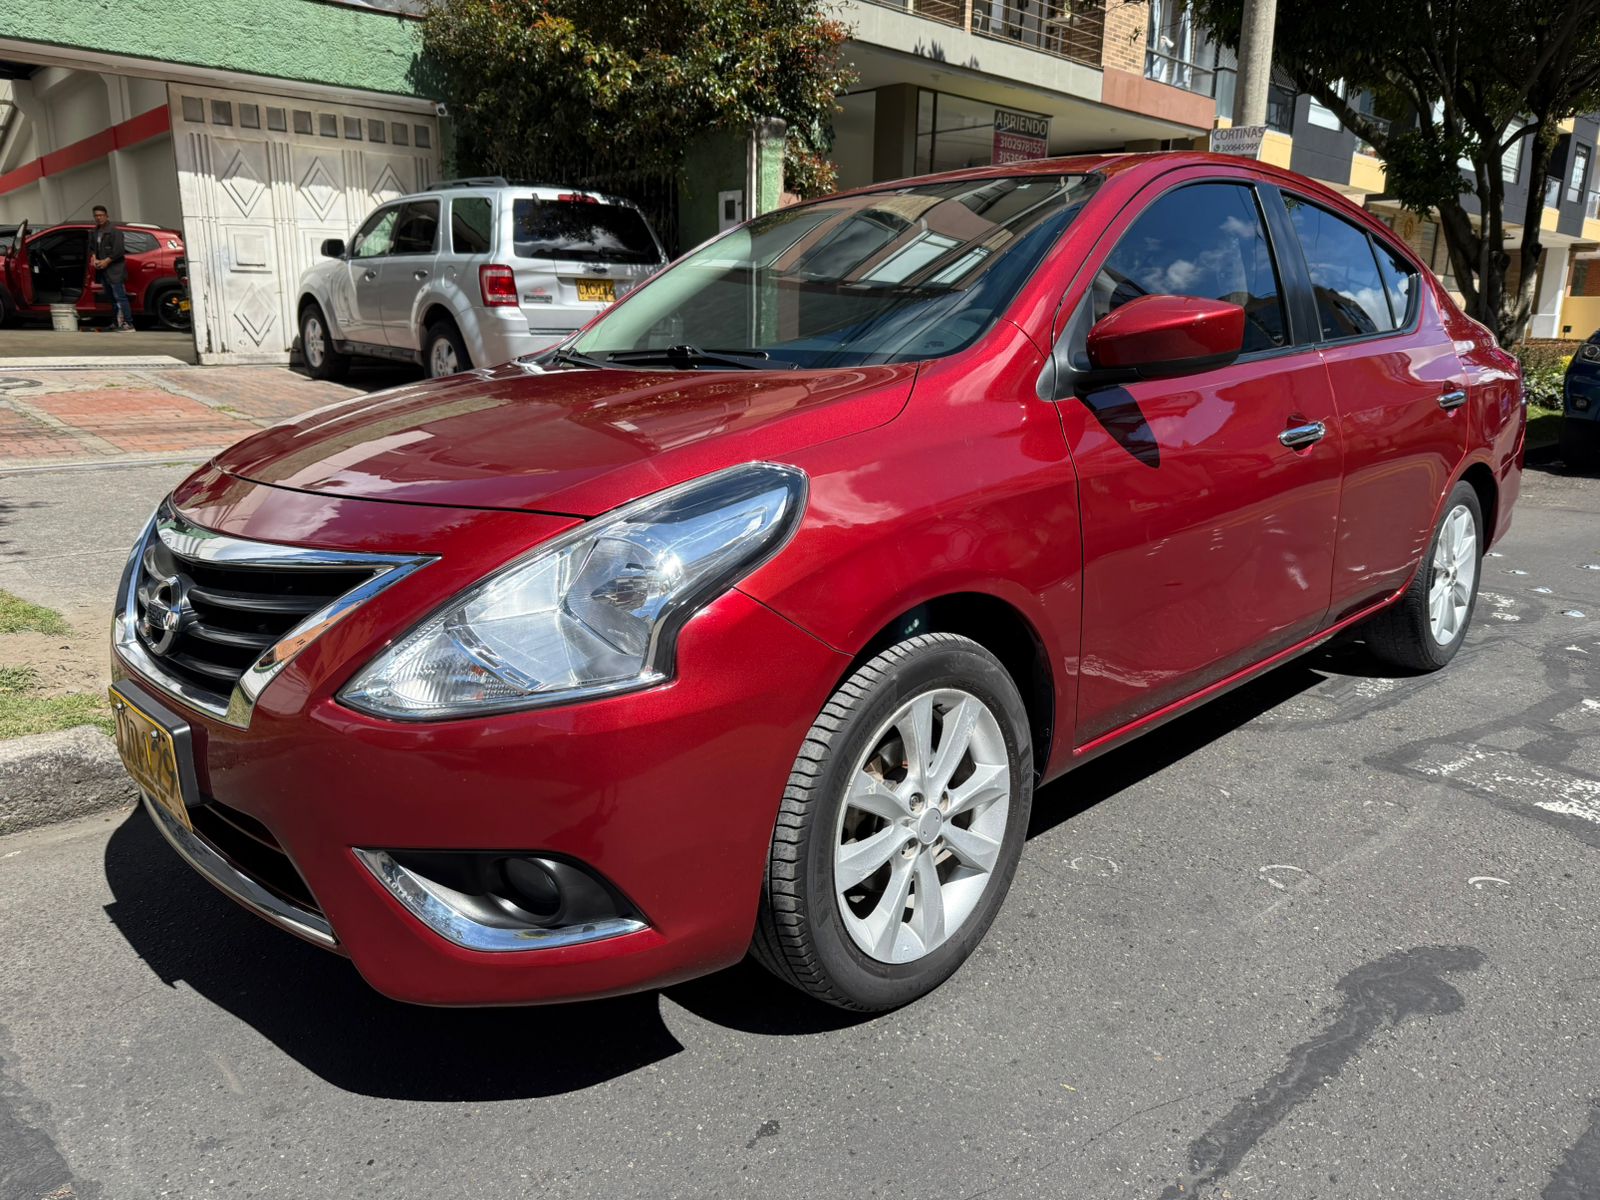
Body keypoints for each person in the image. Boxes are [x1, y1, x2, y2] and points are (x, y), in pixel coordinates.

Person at [91, 205, 134, 331]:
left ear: (107, 216)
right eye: (96, 216)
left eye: (101, 215)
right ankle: (116, 322)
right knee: (111, 298)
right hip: (103, 271)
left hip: (115, 270)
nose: (98, 218)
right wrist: (94, 259)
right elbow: (92, 248)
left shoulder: (115, 231)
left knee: (120, 297)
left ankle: (128, 324)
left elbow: (119, 251)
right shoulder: (96, 231)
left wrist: (106, 261)